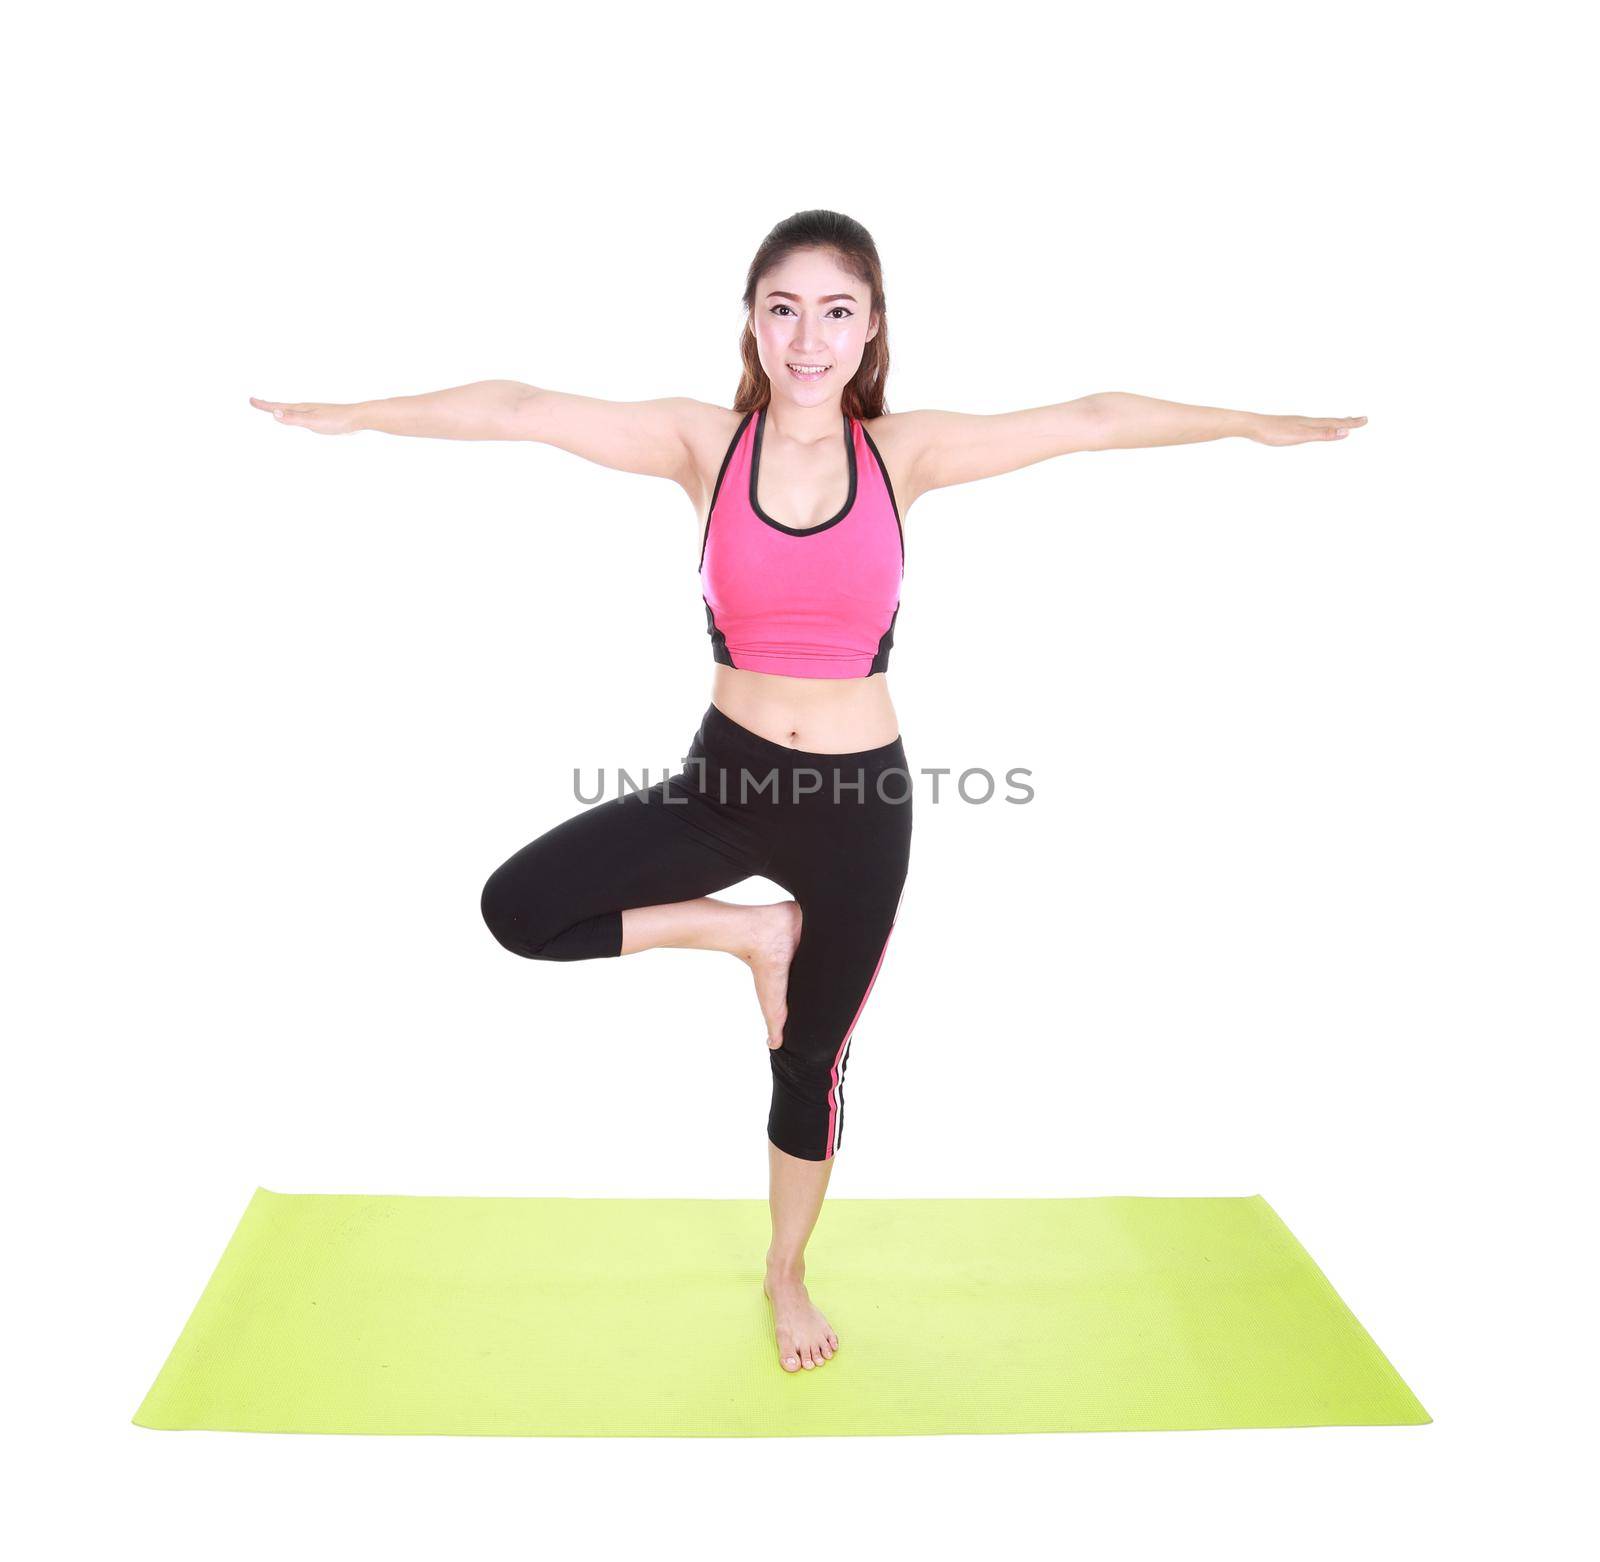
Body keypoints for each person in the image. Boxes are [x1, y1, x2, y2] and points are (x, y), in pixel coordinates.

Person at [251, 208, 1365, 1375]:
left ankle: (785, 1270)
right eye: (782, 307)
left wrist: (1246, 425)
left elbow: (1089, 420)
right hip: (723, 781)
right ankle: (747, 932)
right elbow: (521, 409)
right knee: (518, 908)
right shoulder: (702, 444)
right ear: (751, 318)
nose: (807, 336)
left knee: (809, 1064)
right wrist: (359, 414)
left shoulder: (904, 453)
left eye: (836, 310)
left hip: (859, 810)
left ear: (872, 326)